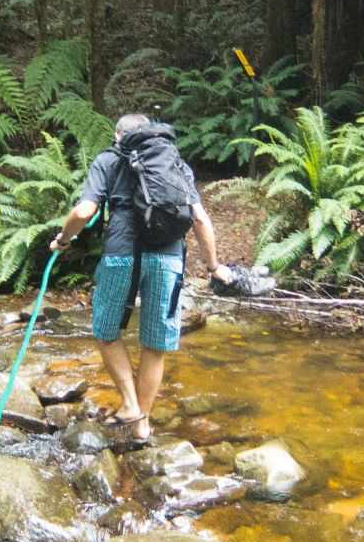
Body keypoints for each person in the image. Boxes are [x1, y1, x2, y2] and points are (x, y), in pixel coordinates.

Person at [50, 113, 231, 441]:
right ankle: (141, 426)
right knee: (155, 345)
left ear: (118, 135)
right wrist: (214, 267)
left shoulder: (108, 160)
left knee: (106, 331)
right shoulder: (175, 163)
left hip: (122, 256)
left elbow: (83, 212)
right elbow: (201, 219)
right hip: (169, 259)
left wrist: (63, 241)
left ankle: (131, 405)